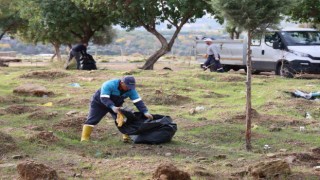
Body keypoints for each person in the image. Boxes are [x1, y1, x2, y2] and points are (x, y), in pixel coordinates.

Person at [81, 75, 153, 141]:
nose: (128, 88)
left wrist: (145, 112)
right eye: (127, 86)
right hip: (99, 103)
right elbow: (104, 98)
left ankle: (126, 138)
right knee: (92, 120)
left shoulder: (131, 90)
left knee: (123, 120)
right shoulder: (109, 84)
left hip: (117, 105)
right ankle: (84, 139)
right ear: (122, 83)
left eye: (130, 87)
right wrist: (112, 107)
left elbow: (138, 101)